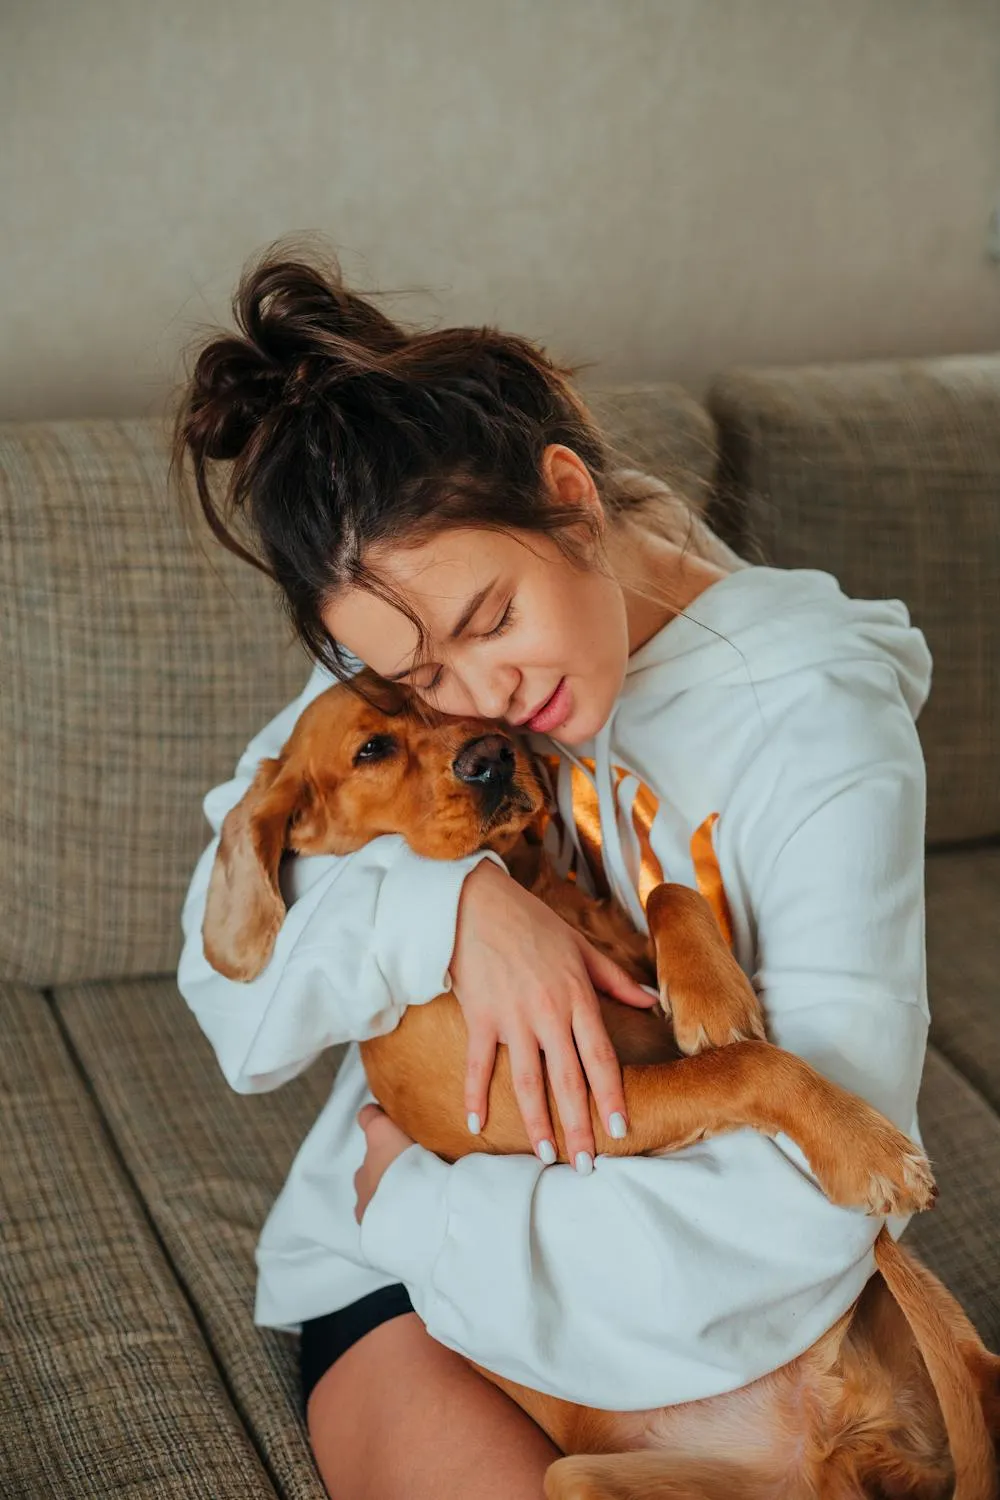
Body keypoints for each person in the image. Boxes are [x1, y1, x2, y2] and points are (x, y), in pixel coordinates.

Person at [172, 238, 932, 1500]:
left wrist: (417, 1203)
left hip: (589, 1268)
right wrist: (451, 905)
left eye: (492, 624)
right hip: (399, 1292)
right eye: (422, 682)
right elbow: (233, 998)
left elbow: (816, 1207)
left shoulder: (814, 721)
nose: (482, 707)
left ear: (569, 496)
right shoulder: (412, 661)